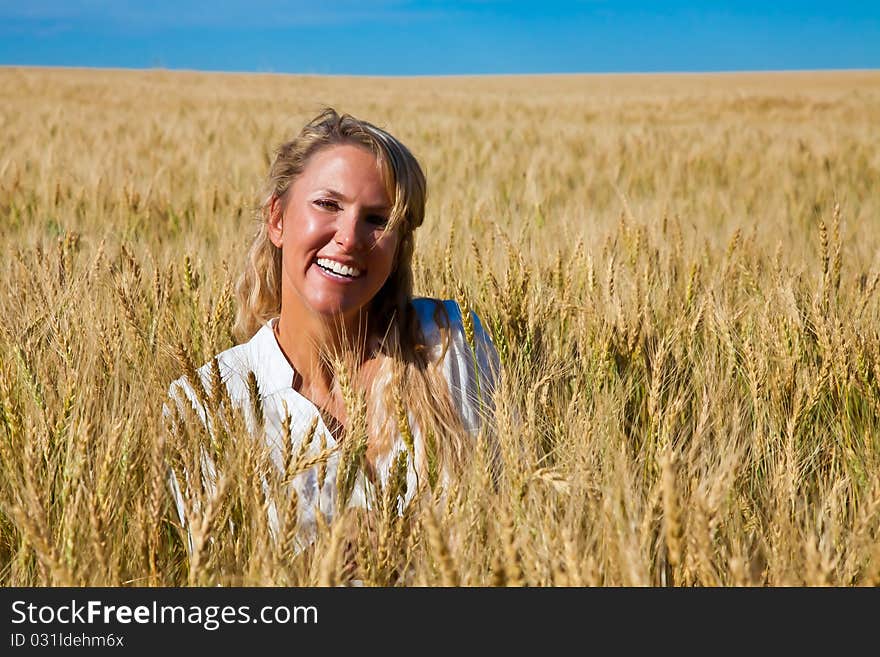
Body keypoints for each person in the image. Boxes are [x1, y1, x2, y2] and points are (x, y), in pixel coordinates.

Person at [165, 108, 500, 557]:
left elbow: (501, 521)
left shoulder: (446, 344)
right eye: (328, 204)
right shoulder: (206, 404)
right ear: (277, 219)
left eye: (378, 220)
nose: (350, 237)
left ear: (400, 245)